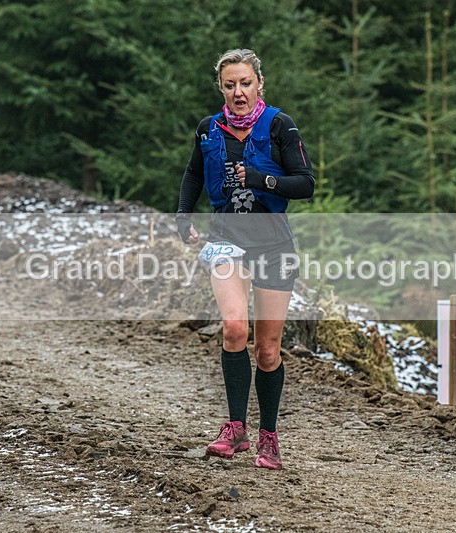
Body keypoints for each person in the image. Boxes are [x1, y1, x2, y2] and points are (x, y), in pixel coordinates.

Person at [175, 49, 314, 470]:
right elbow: (194, 174)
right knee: (236, 328)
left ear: (259, 84)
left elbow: (305, 184)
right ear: (222, 88)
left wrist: (262, 179)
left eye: (245, 83)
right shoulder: (208, 130)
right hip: (225, 240)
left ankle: (268, 437)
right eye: (230, 84)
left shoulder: (279, 125)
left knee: (268, 350)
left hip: (273, 244)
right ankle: (235, 428)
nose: (238, 92)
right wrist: (183, 215)